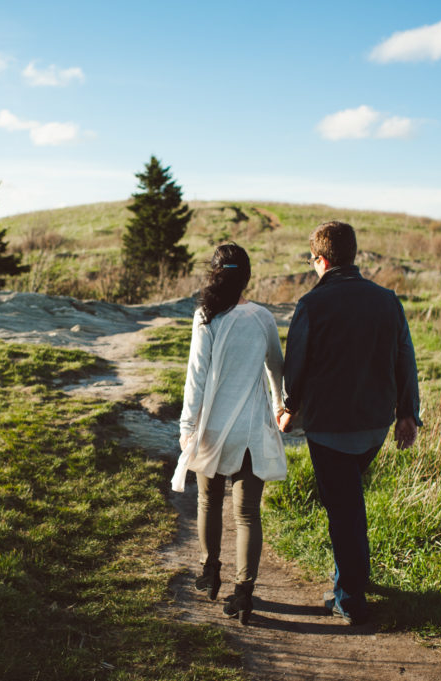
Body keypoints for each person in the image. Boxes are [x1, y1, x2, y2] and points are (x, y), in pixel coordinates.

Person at [278, 221, 421, 626]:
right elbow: (404, 358)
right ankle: (351, 580)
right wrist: (407, 413)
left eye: (312, 261)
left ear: (321, 260)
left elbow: (296, 366)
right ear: (352, 255)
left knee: (343, 508)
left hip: (328, 427)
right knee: (347, 500)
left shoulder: (311, 305)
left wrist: (289, 407)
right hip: (374, 424)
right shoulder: (387, 300)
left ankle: (351, 598)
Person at [172, 243, 286, 625]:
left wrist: (187, 428)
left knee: (208, 503)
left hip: (213, 428)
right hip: (251, 429)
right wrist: (279, 406)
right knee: (248, 514)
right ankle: (243, 594)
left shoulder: (205, 316)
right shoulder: (262, 318)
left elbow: (196, 378)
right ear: (247, 277)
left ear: (214, 274)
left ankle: (209, 574)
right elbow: (276, 368)